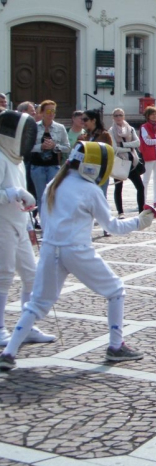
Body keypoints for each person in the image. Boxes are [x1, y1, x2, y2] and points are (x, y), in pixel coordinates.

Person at [0, 141, 156, 370]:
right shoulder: (90, 190)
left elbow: (44, 220)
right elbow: (112, 226)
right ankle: (116, 346)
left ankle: (9, 352)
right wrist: (140, 222)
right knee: (115, 291)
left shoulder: (54, 183)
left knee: (37, 303)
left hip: (50, 249)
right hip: (76, 251)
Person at [0, 110, 55, 347]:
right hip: (2, 225)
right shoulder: (0, 157)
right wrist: (13, 193)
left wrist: (31, 224)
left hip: (20, 226)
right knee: (3, 276)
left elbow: (21, 196)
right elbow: (10, 194)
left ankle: (27, 325)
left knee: (31, 275)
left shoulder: (16, 160)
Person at [29, 100, 70, 210]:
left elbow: (67, 147)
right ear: (42, 112)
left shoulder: (60, 128)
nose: (51, 113)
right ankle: (44, 223)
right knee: (41, 196)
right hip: (37, 166)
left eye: (53, 111)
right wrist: (41, 147)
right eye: (48, 111)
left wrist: (55, 147)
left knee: (54, 195)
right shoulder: (34, 127)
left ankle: (54, 221)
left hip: (53, 166)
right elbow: (27, 147)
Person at [109, 108, 145, 219]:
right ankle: (120, 212)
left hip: (132, 162)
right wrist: (129, 147)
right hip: (120, 162)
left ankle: (141, 211)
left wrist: (124, 146)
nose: (118, 117)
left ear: (124, 116)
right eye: (116, 116)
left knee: (140, 187)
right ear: (113, 118)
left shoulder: (130, 129)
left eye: (120, 115)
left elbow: (137, 143)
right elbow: (114, 148)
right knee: (118, 187)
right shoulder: (111, 131)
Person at [80, 109, 114, 203]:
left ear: (93, 120)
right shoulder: (85, 135)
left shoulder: (104, 135)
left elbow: (109, 152)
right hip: (87, 171)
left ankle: (103, 217)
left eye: (85, 120)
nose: (83, 122)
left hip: (100, 171)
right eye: (82, 120)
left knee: (100, 197)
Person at [139, 106, 156, 208]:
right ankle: (143, 201)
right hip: (149, 155)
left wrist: (155, 140)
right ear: (148, 116)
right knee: (146, 179)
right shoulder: (144, 127)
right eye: (152, 114)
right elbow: (147, 141)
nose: (154, 116)